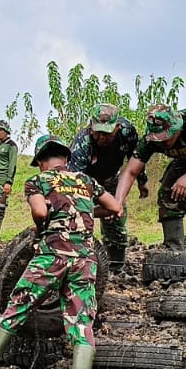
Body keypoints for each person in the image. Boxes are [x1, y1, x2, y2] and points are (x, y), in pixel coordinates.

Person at [0, 134, 123, 369]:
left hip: (52, 255)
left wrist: (44, 228)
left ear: (41, 161)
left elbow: (40, 213)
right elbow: (114, 208)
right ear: (65, 159)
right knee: (82, 322)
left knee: (18, 306)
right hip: (85, 260)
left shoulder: (38, 181)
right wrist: (82, 211)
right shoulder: (85, 181)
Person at [112, 104, 186, 248]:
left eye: (166, 138)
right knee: (168, 192)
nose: (163, 143)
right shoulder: (150, 141)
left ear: (177, 128)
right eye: (158, 139)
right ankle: (174, 245)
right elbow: (131, 171)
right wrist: (117, 202)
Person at [68, 103, 146, 271]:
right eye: (98, 133)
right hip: (85, 181)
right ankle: (76, 261)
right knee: (76, 218)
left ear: (117, 127)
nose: (102, 137)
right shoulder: (81, 144)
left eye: (107, 133)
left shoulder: (127, 132)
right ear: (91, 127)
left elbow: (137, 158)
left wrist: (142, 181)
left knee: (116, 219)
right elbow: (74, 182)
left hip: (111, 179)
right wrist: (87, 207)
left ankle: (116, 266)